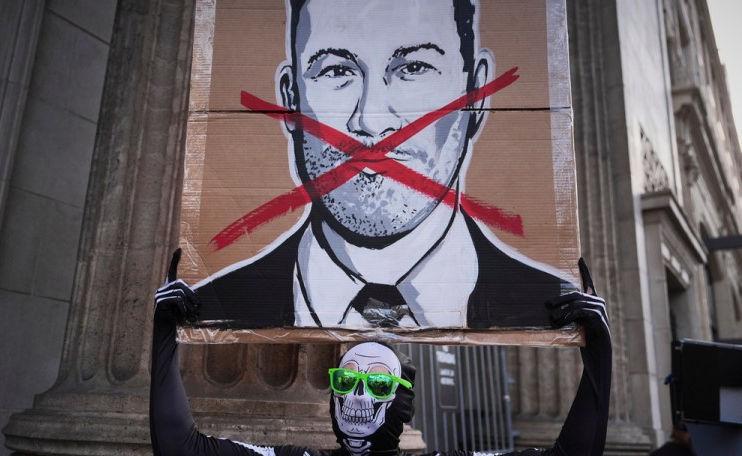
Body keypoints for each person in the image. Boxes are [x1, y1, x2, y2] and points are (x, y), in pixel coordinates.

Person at [193, 0, 572, 330]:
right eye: (336, 71)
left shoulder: (548, 306)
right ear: (291, 100)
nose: (371, 122)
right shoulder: (211, 307)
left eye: (414, 68)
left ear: (475, 93)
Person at [151, 250, 611, 456]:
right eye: (346, 379)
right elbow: (178, 448)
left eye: (376, 384)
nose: (356, 393)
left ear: (402, 401)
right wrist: (165, 335)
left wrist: (598, 354)